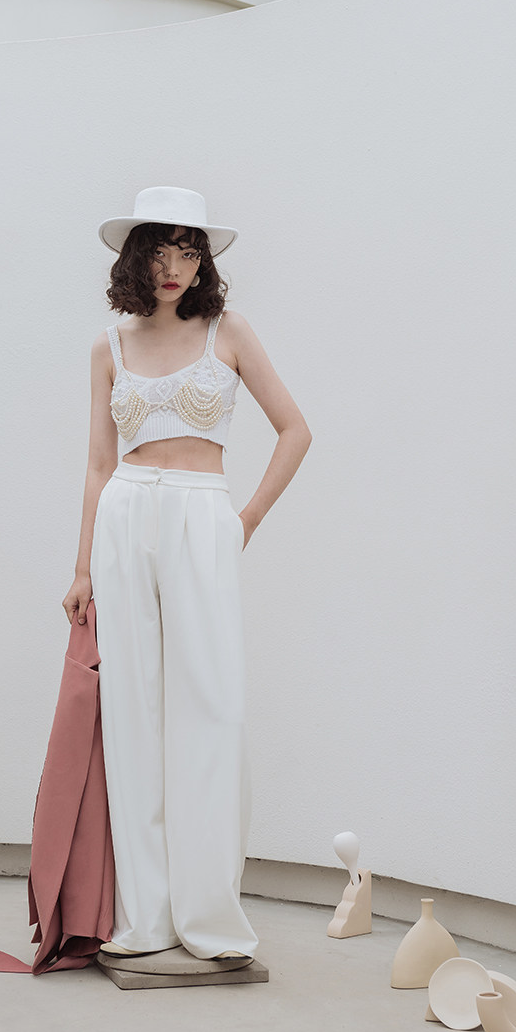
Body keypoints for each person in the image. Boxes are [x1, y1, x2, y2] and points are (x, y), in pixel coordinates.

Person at [62, 186, 311, 965]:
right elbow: (99, 465)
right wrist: (81, 568)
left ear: (203, 261)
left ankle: (210, 918)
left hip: (203, 515)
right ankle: (146, 919)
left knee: (213, 709)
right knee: (133, 714)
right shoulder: (109, 345)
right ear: (135, 258)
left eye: (189, 249)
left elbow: (295, 430)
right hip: (126, 516)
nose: (174, 265)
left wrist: (244, 520)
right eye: (160, 250)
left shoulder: (227, 330)